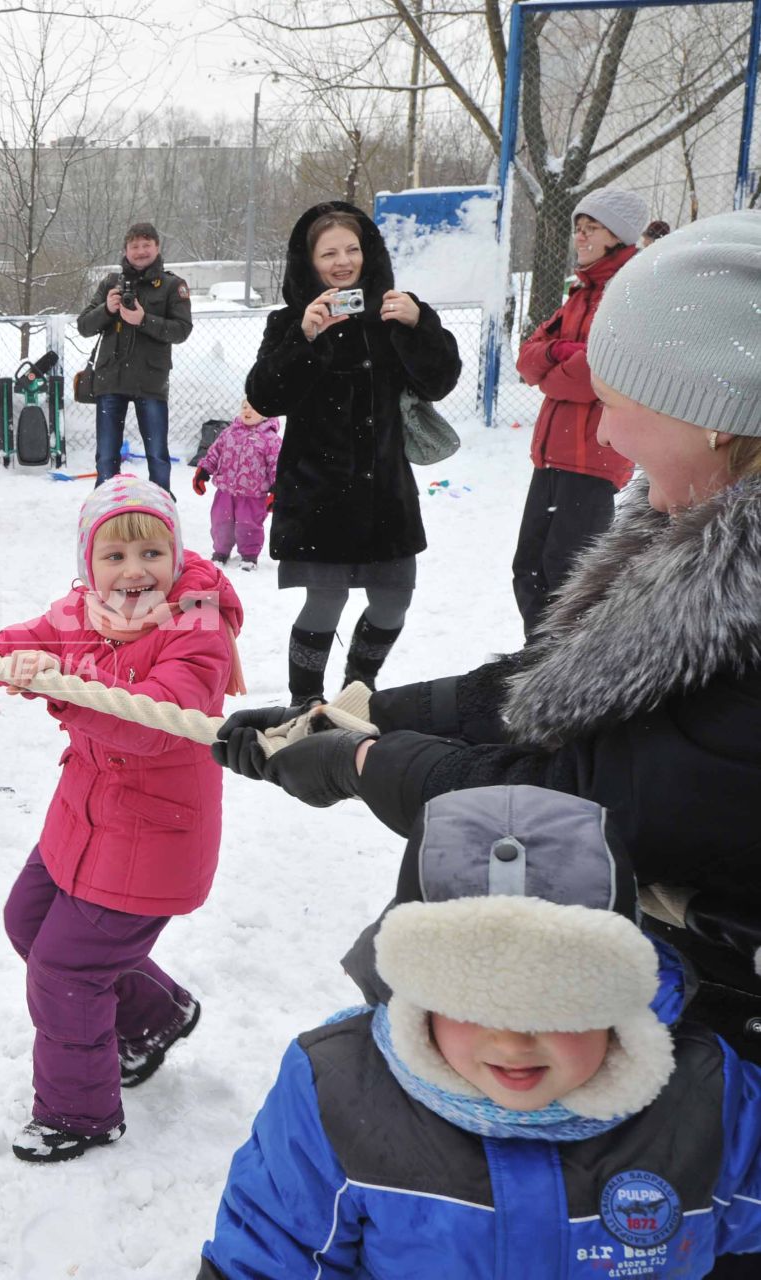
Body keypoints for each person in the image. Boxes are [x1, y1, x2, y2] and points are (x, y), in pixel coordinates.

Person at [209, 210, 761, 1056]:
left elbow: (564, 806)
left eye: (617, 404)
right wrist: (364, 714)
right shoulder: (695, 532)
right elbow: (557, 685)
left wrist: (359, 763)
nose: (605, 434)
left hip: (720, 1033)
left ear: (713, 413)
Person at [201, 784, 761, 1279]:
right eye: (474, 1001)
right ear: (421, 994)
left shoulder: (707, 1097)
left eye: (556, 1004)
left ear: (616, 998)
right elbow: (273, 1251)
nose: (514, 1041)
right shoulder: (335, 1094)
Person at [0, 476, 242, 1160]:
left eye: (150, 553)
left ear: (175, 557)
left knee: (64, 970)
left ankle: (78, 1114)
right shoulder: (79, 614)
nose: (132, 571)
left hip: (155, 836)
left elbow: (156, 722)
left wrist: (60, 688)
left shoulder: (196, 628)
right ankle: (152, 1016)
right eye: (113, 556)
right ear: (88, 564)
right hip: (86, 817)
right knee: (27, 922)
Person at [246, 201, 462, 703]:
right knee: (325, 601)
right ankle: (305, 700)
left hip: (385, 493)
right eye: (329, 254)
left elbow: (439, 380)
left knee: (394, 602)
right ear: (309, 262)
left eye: (352, 249)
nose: (343, 261)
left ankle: (358, 689)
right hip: (317, 492)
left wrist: (419, 325)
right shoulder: (288, 322)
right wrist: (306, 336)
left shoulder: (393, 311)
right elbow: (263, 396)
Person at [511, 187, 646, 636]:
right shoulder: (580, 293)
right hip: (552, 454)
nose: (581, 237)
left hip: (594, 456)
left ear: (618, 235)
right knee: (529, 567)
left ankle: (561, 663)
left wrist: (558, 364)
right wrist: (562, 354)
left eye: (592, 228)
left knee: (567, 573)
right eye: (579, 228)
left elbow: (598, 371)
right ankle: (537, 656)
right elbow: (527, 359)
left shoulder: (629, 289)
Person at [76, 222, 194, 488]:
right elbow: (83, 326)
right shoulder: (110, 283)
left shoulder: (172, 285)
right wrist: (106, 309)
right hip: (110, 379)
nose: (141, 251)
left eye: (146, 245)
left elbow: (182, 330)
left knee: (157, 456)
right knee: (106, 456)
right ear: (126, 250)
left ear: (157, 247)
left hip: (150, 381)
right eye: (135, 246)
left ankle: (161, 506)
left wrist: (144, 320)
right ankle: (106, 506)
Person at [192, 400, 281, 570]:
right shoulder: (229, 433)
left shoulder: (271, 440)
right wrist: (203, 471)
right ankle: (220, 552)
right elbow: (214, 453)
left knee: (248, 525)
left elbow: (278, 466)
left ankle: (249, 555)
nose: (247, 411)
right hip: (225, 490)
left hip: (253, 495)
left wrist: (277, 489)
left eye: (254, 408)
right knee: (220, 521)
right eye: (244, 407)